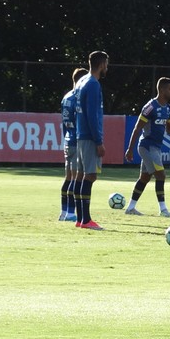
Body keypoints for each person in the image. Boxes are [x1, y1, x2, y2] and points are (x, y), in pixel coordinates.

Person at [123, 77, 170, 217]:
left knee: (144, 177)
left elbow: (169, 129)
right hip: (147, 146)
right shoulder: (150, 107)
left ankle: (130, 208)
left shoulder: (168, 109)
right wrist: (130, 149)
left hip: (156, 147)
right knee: (161, 175)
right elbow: (137, 128)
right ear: (162, 90)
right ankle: (163, 210)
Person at [72, 51, 109, 230]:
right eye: (106, 64)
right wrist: (98, 141)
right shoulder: (93, 84)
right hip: (89, 137)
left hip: (80, 135)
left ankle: (80, 219)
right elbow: (92, 115)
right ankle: (86, 220)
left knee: (80, 175)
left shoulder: (81, 81)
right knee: (90, 175)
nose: (107, 67)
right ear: (101, 64)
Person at [59, 67, 88, 222]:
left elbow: (64, 123)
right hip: (77, 142)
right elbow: (80, 122)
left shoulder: (66, 97)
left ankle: (63, 212)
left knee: (68, 178)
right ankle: (70, 213)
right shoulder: (78, 98)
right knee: (76, 179)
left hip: (68, 140)